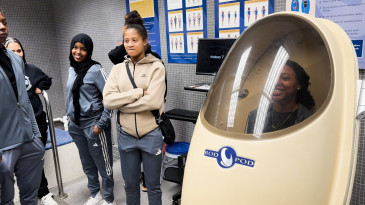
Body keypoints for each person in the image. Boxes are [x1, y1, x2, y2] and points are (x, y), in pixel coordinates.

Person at [103, 10, 165, 205]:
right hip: (126, 135)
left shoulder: (157, 67)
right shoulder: (117, 69)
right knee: (130, 185)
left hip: (151, 133)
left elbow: (153, 102)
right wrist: (137, 93)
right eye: (126, 40)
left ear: (145, 41)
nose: (130, 44)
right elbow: (108, 101)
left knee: (153, 186)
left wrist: (122, 105)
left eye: (135, 40)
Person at [0, 8, 45, 205]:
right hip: (4, 145)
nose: (2, 26)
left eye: (4, 21)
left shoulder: (16, 59)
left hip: (28, 140)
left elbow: (24, 101)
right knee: (5, 200)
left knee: (30, 197)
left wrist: (36, 135)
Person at [5, 37, 56, 205]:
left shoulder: (30, 69)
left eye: (19, 50)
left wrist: (39, 87)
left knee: (33, 164)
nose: (17, 54)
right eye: (12, 51)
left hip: (34, 123)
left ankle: (44, 192)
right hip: (9, 130)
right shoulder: (5, 71)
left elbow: (46, 79)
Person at [66, 33, 115, 205]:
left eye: (83, 49)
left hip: (93, 126)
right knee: (87, 164)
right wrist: (69, 118)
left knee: (104, 165)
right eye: (75, 47)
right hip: (76, 126)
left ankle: (109, 199)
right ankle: (96, 194)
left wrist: (100, 125)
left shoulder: (96, 70)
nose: (78, 52)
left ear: (89, 51)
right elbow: (71, 96)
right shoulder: (72, 68)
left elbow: (111, 99)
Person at [246, 60, 315, 134]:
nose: (276, 82)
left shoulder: (310, 119)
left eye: (285, 78)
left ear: (298, 85)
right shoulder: (255, 116)